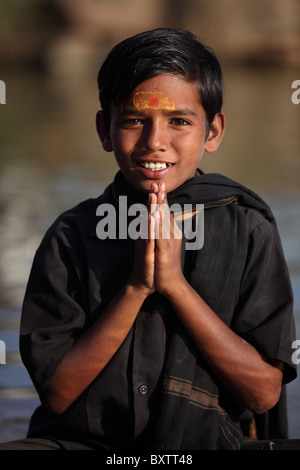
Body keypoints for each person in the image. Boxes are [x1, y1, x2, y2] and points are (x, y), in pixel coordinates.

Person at [1, 28, 297, 451]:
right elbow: (58, 393)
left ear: (213, 132)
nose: (154, 142)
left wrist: (175, 285)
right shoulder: (72, 235)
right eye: (135, 120)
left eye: (179, 121)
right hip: (89, 445)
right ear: (105, 129)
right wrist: (137, 286)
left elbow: (263, 393)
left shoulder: (248, 231)